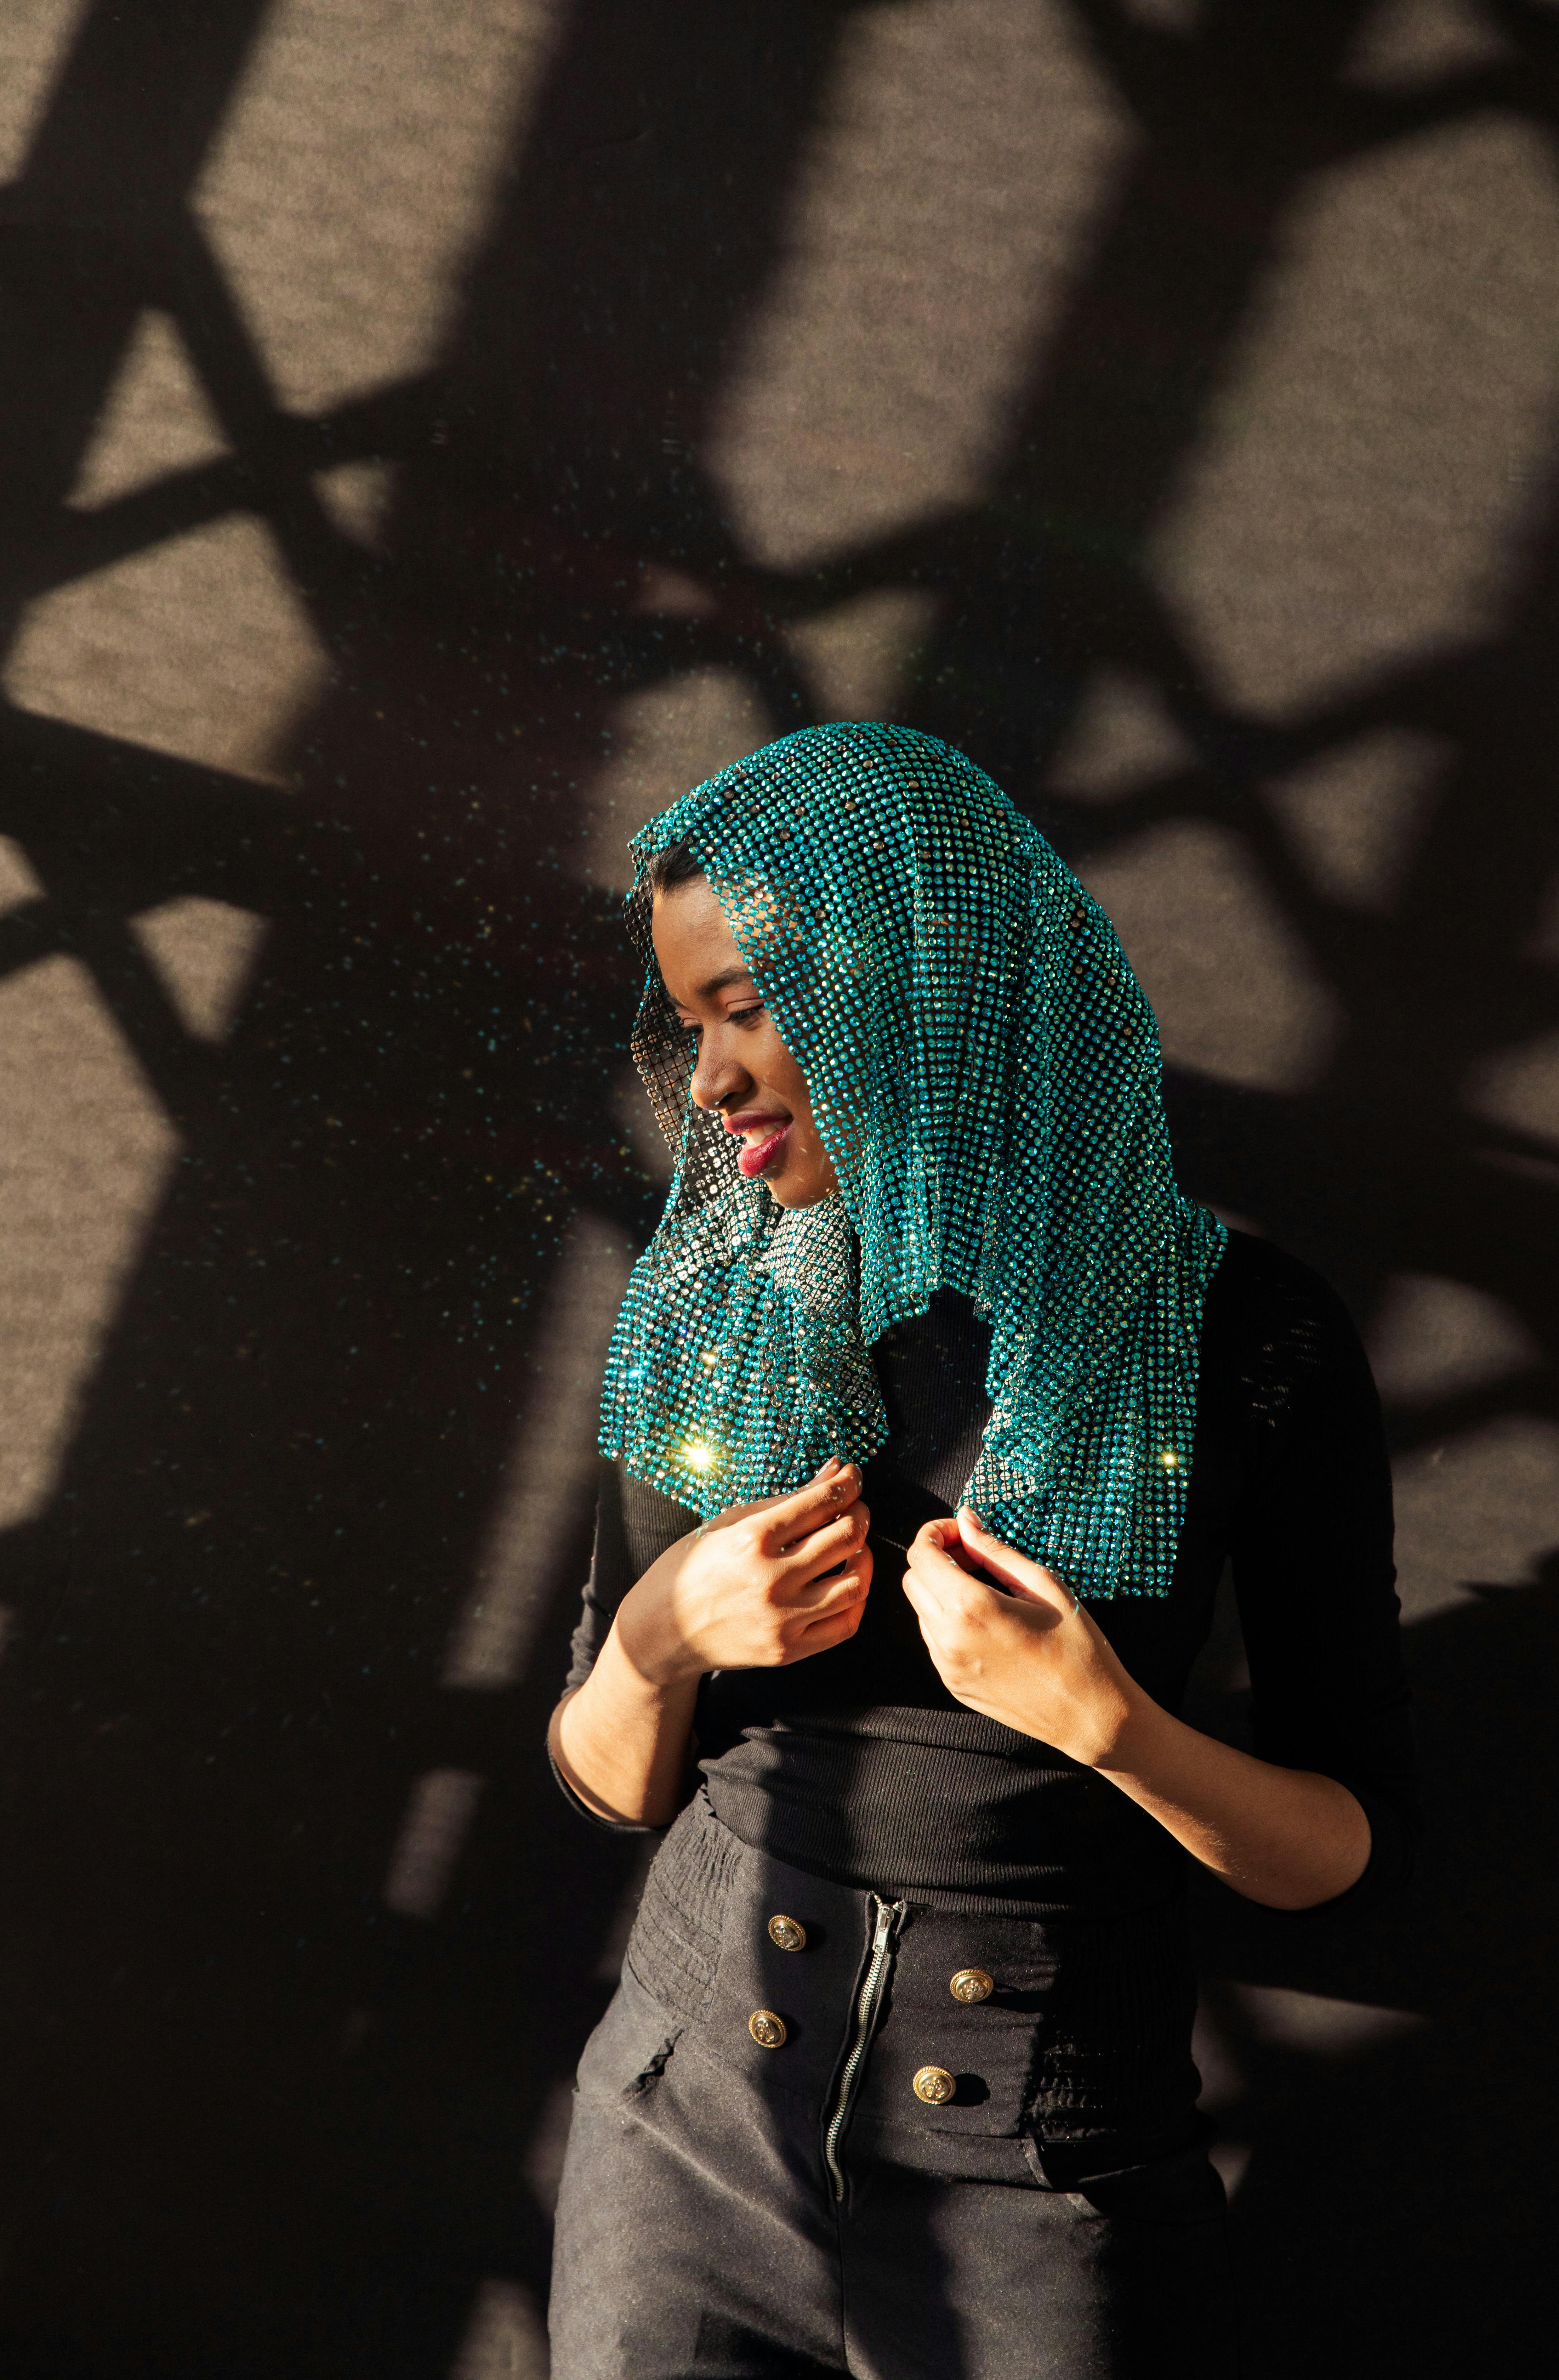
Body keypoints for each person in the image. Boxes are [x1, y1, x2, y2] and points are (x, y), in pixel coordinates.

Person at [545, 721, 1416, 2379]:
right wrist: (659, 1633)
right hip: (678, 2149)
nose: (708, 1078)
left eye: (746, 1008)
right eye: (689, 1021)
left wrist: (1112, 1729)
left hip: (1047, 2177)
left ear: (914, 981)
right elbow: (608, 1784)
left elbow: (1343, 1851)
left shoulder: (1249, 1337)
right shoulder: (715, 1306)